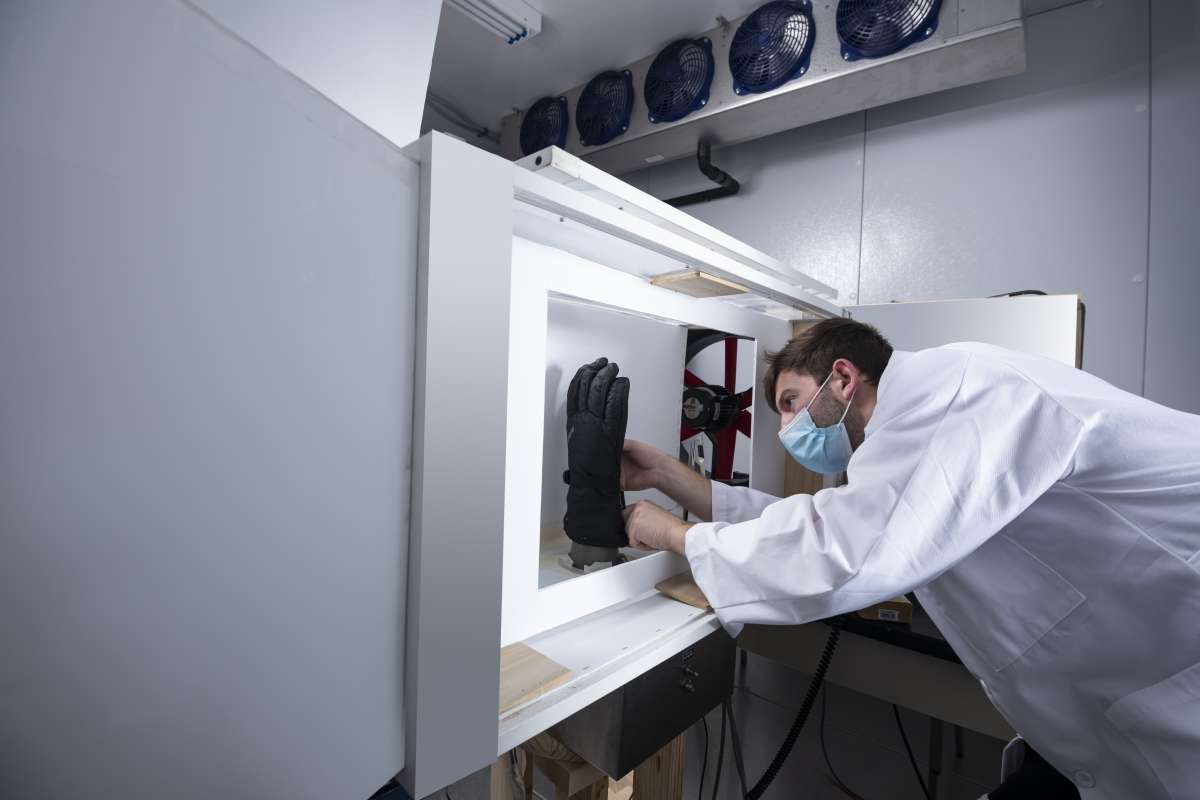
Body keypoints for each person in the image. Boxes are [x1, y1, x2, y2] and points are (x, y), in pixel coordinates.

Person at [620, 318, 1200, 800]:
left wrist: (676, 536)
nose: (788, 428)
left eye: (792, 403)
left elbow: (843, 548)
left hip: (1172, 658)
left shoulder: (952, 391)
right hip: (1126, 692)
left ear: (843, 377)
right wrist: (673, 478)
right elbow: (837, 522)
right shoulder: (914, 426)